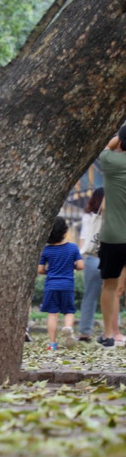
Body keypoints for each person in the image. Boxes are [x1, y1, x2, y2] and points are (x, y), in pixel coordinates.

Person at [38, 215, 84, 350]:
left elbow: (40, 270)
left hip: (51, 285)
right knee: (69, 310)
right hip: (67, 284)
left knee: (52, 314)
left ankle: (52, 344)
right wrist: (72, 267)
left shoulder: (46, 250)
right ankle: (68, 328)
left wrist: (49, 271)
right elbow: (81, 266)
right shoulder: (73, 248)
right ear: (65, 231)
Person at [98, 127, 126, 348]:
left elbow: (106, 148)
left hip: (114, 237)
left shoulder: (111, 163)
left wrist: (118, 138)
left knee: (110, 285)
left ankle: (108, 334)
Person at [78, 186, 104, 341]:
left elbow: (83, 238)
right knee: (112, 295)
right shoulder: (115, 214)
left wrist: (80, 257)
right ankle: (112, 331)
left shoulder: (88, 216)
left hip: (92, 256)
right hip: (110, 255)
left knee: (89, 296)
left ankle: (85, 332)